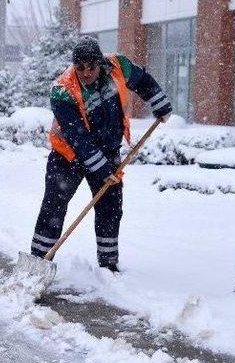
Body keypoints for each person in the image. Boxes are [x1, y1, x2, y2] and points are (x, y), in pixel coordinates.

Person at [30, 36, 172, 273]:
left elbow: (143, 80)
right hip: (67, 155)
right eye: (80, 68)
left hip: (108, 150)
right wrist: (102, 169)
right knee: (54, 206)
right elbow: (77, 138)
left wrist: (160, 103)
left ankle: (108, 264)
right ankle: (37, 261)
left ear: (100, 63)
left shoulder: (119, 66)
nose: (86, 73)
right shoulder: (62, 91)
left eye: (91, 67)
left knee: (111, 206)